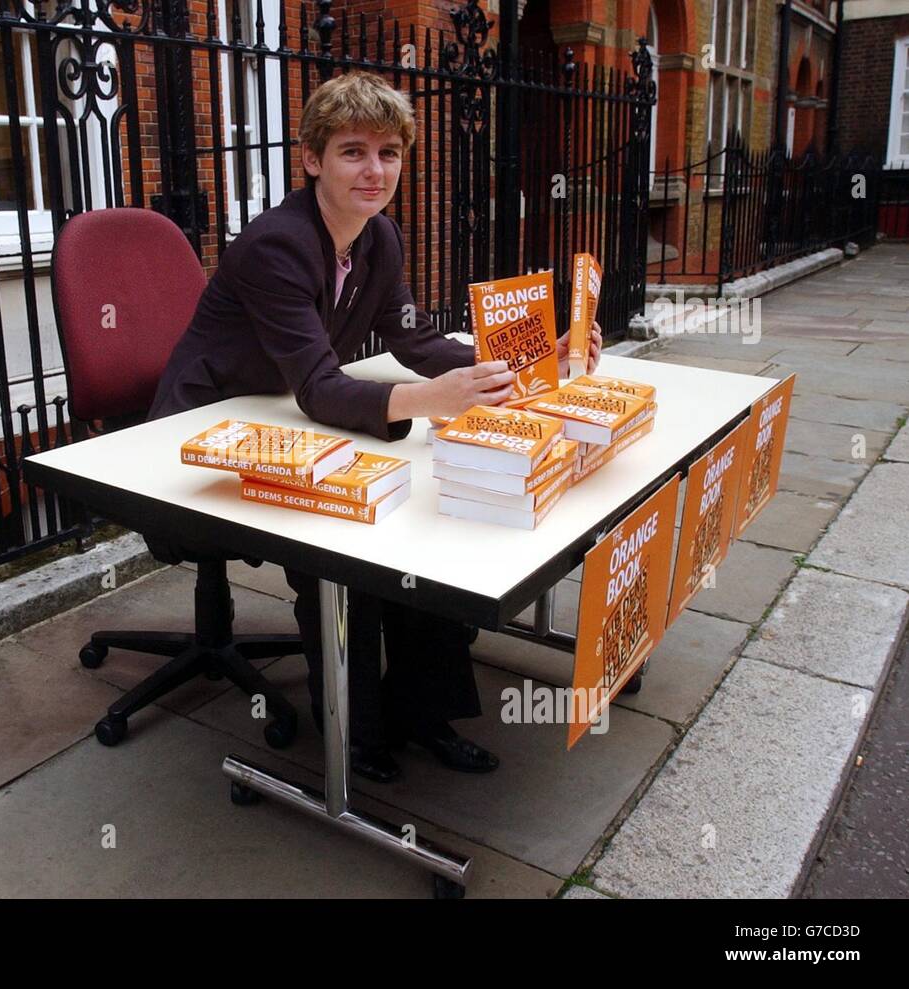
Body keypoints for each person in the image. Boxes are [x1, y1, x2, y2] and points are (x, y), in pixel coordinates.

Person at [146, 71, 602, 782]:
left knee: (415, 540)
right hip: (204, 437)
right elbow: (323, 388)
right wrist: (432, 400)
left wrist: (539, 355)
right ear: (312, 159)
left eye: (389, 153)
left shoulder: (380, 237)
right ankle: (355, 736)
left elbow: (414, 341)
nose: (375, 170)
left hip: (285, 413)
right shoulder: (276, 245)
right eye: (353, 151)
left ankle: (425, 712)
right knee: (340, 558)